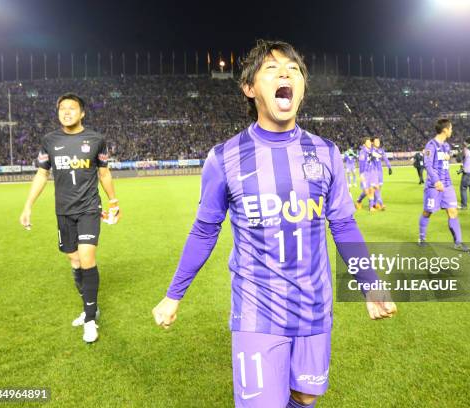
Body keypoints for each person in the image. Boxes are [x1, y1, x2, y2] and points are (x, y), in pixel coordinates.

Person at [151, 40, 396, 408]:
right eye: (271, 68)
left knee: (306, 394)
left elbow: (343, 226)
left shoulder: (325, 153)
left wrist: (370, 283)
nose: (285, 72)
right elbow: (205, 230)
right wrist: (174, 295)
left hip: (314, 305)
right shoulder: (224, 158)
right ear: (250, 89)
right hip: (256, 308)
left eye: (293, 69)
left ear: (300, 89)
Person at [19, 93, 119, 343]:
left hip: (89, 209)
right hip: (63, 211)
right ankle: (90, 308)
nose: (66, 112)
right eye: (62, 108)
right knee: (74, 260)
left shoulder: (96, 139)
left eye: (71, 108)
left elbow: (104, 173)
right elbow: (42, 175)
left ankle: (89, 320)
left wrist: (114, 202)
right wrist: (28, 205)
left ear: (82, 112)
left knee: (87, 258)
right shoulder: (49, 141)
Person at [418, 118, 470, 252]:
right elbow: (428, 165)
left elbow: (445, 164)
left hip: (447, 185)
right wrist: (436, 181)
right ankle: (422, 237)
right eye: (451, 128)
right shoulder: (431, 145)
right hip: (433, 186)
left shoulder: (446, 146)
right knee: (427, 212)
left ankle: (458, 242)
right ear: (445, 130)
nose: (452, 131)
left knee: (453, 211)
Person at [355, 137, 377, 211]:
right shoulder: (362, 152)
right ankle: (358, 201)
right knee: (366, 191)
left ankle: (371, 207)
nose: (370, 143)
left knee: (371, 189)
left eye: (370, 142)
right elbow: (361, 164)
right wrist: (361, 175)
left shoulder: (370, 151)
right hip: (365, 174)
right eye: (368, 142)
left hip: (371, 173)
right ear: (364, 144)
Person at [371, 137, 392, 210]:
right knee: (376, 188)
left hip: (380, 171)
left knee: (378, 188)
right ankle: (381, 204)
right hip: (373, 171)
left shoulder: (381, 150)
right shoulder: (370, 150)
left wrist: (389, 167)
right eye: (376, 141)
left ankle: (374, 203)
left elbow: (385, 158)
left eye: (379, 141)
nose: (378, 142)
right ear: (372, 142)